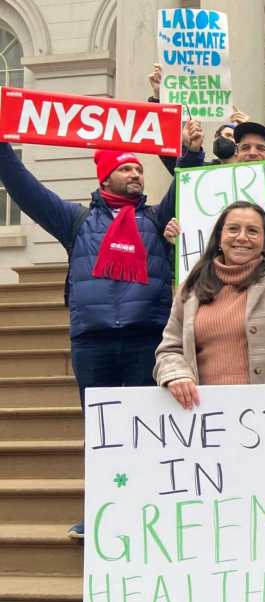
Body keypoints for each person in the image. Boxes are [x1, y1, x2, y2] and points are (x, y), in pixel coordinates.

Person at [0, 130, 196, 538]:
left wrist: (191, 152)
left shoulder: (158, 219)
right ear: (105, 177)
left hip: (146, 339)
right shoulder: (77, 221)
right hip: (92, 342)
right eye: (126, 168)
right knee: (103, 434)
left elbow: (191, 187)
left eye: (139, 168)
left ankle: (147, 512)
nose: (137, 174)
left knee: (148, 429)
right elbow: (24, 188)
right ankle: (104, 514)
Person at [154, 160, 265, 511]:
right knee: (221, 520)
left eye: (253, 231)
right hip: (209, 432)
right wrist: (175, 373)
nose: (242, 237)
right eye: (233, 229)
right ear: (219, 237)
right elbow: (170, 347)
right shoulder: (191, 287)